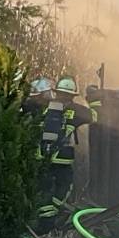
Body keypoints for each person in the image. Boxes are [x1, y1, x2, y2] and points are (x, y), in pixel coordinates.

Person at [34, 75, 91, 220]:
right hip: (62, 158)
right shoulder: (78, 110)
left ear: (57, 92)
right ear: (72, 95)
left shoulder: (45, 107)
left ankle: (43, 216)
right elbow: (95, 117)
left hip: (41, 156)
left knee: (43, 188)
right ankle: (52, 215)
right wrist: (94, 99)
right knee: (64, 185)